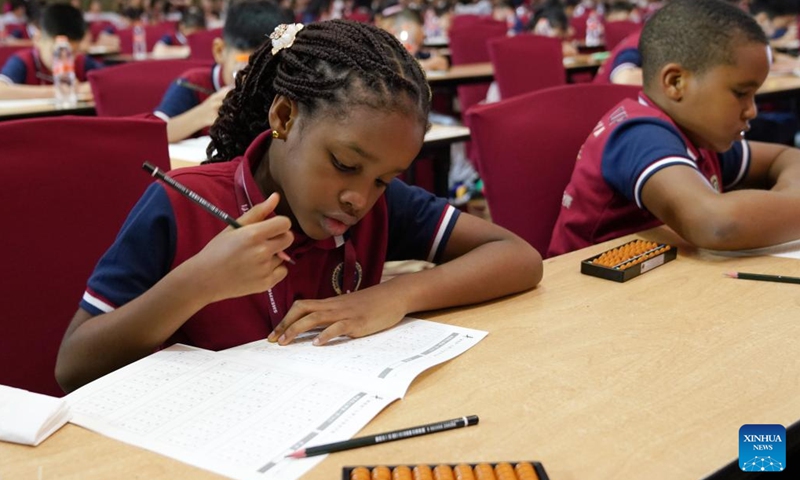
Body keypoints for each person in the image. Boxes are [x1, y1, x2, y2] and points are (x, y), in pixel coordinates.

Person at [56, 19, 543, 392]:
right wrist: (196, 284)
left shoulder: (377, 204)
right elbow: (73, 365)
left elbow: (518, 257)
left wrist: (396, 295)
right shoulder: (183, 206)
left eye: (384, 179)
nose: (359, 198)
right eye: (343, 163)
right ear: (284, 116)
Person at [548, 0, 800, 257]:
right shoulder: (639, 134)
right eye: (741, 93)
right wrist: (791, 203)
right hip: (589, 292)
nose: (752, 110)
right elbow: (717, 224)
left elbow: (785, 157)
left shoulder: (697, 134)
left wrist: (788, 197)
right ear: (675, 82)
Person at [153, 0, 291, 143]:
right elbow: (152, 134)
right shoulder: (192, 84)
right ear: (219, 51)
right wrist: (202, 115)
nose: (255, 77)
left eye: (267, 67)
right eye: (245, 65)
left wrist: (275, 132)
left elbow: (281, 137)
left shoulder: (279, 90)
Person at [0, 3, 101, 100]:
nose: (64, 59)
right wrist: (58, 91)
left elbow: (111, 79)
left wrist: (89, 87)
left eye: (72, 53)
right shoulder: (23, 61)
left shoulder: (81, 62)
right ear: (37, 39)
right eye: (57, 52)